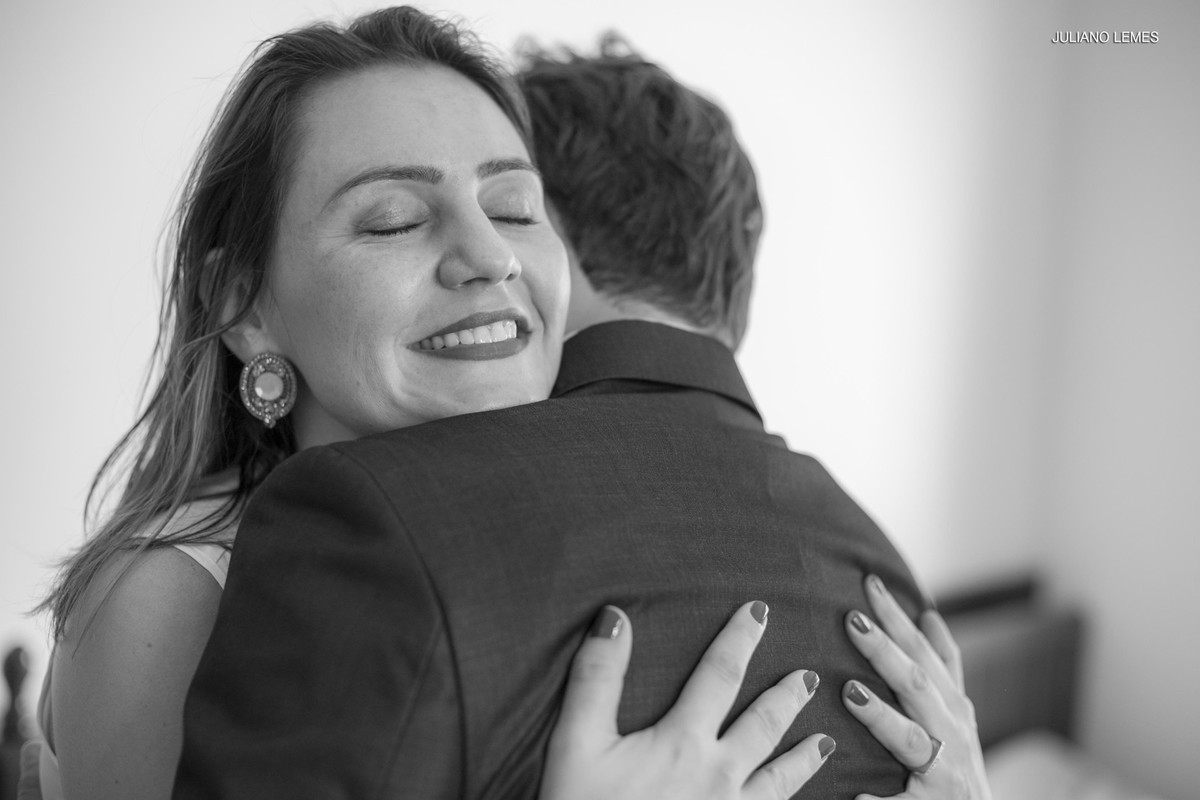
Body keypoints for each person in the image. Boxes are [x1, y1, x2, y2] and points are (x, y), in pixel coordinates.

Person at [26, 7, 985, 800]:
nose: (488, 256)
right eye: (394, 219)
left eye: (517, 209)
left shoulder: (582, 546)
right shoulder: (161, 602)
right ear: (243, 304)